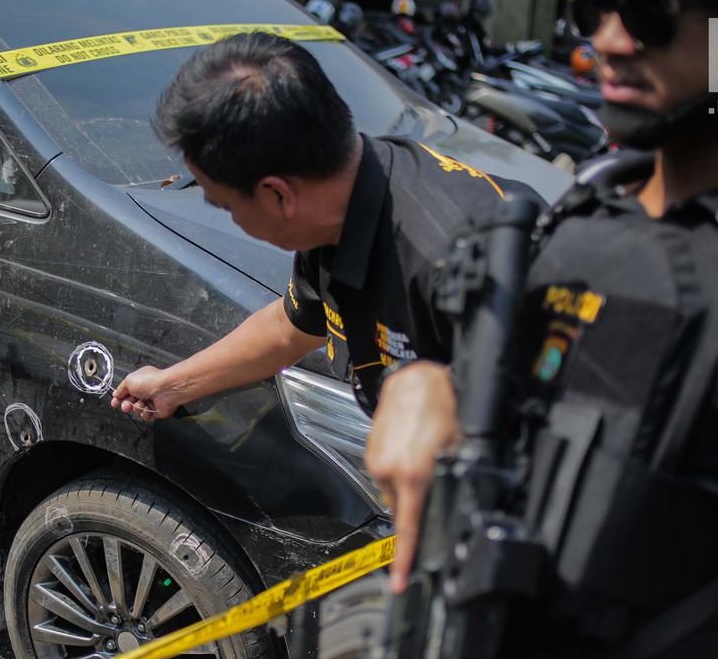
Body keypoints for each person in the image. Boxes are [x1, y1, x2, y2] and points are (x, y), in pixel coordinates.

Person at [365, 0, 718, 659]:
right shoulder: (588, 217)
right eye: (592, 4)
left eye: (647, 11)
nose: (605, 39)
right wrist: (424, 384)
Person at [112, 32, 524, 420]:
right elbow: (291, 327)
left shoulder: (465, 261)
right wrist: (173, 385)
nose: (224, 215)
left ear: (278, 196)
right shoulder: (343, 195)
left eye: (222, 203)